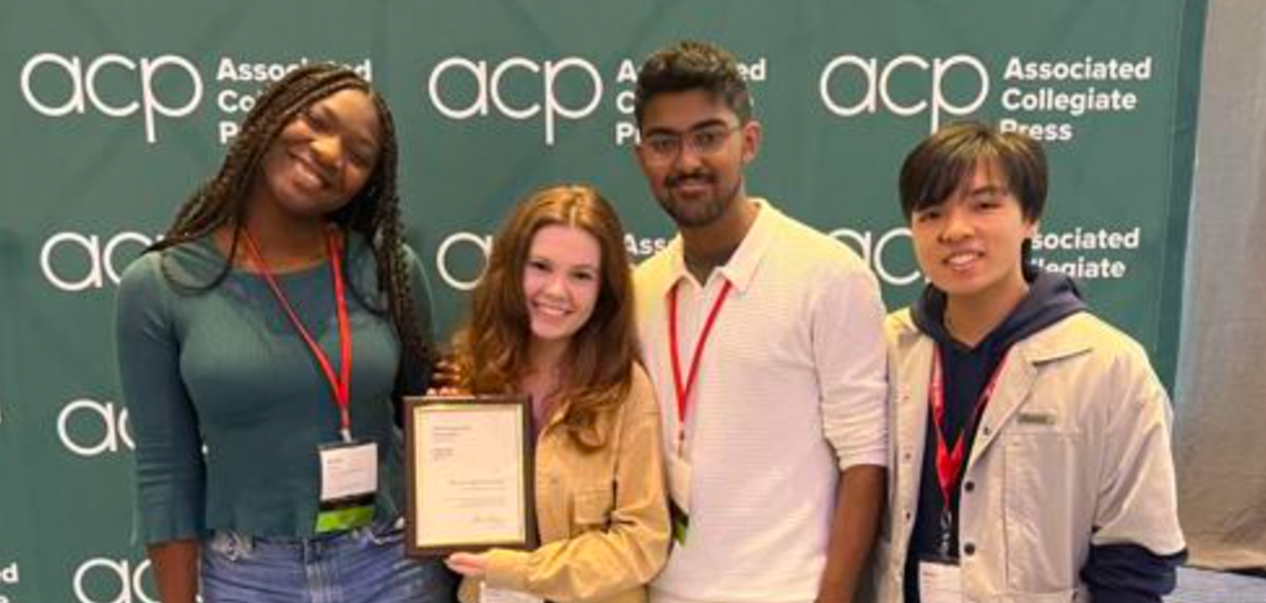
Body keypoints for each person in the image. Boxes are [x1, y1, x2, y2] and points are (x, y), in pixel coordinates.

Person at [115, 64, 455, 603]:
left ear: (369, 181)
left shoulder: (389, 271)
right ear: (268, 118)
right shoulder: (162, 285)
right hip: (249, 576)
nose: (327, 152)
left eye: (359, 155)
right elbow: (165, 469)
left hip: (392, 563)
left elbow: (431, 423)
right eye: (315, 121)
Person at [875, 120, 1185, 602]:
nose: (955, 230)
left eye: (983, 205)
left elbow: (1135, 555)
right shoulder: (885, 348)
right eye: (931, 213)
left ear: (1031, 217)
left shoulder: (1109, 366)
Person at [630, 41, 889, 603]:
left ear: (748, 142)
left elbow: (866, 457)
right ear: (641, 156)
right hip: (659, 591)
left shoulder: (829, 276)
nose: (687, 161)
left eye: (707, 136)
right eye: (663, 143)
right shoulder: (638, 290)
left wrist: (835, 595)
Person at [442, 185, 670, 603]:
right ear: (512, 268)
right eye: (541, 266)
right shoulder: (470, 374)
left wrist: (521, 572)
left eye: (581, 275)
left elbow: (644, 542)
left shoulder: (625, 389)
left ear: (605, 290)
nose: (556, 291)